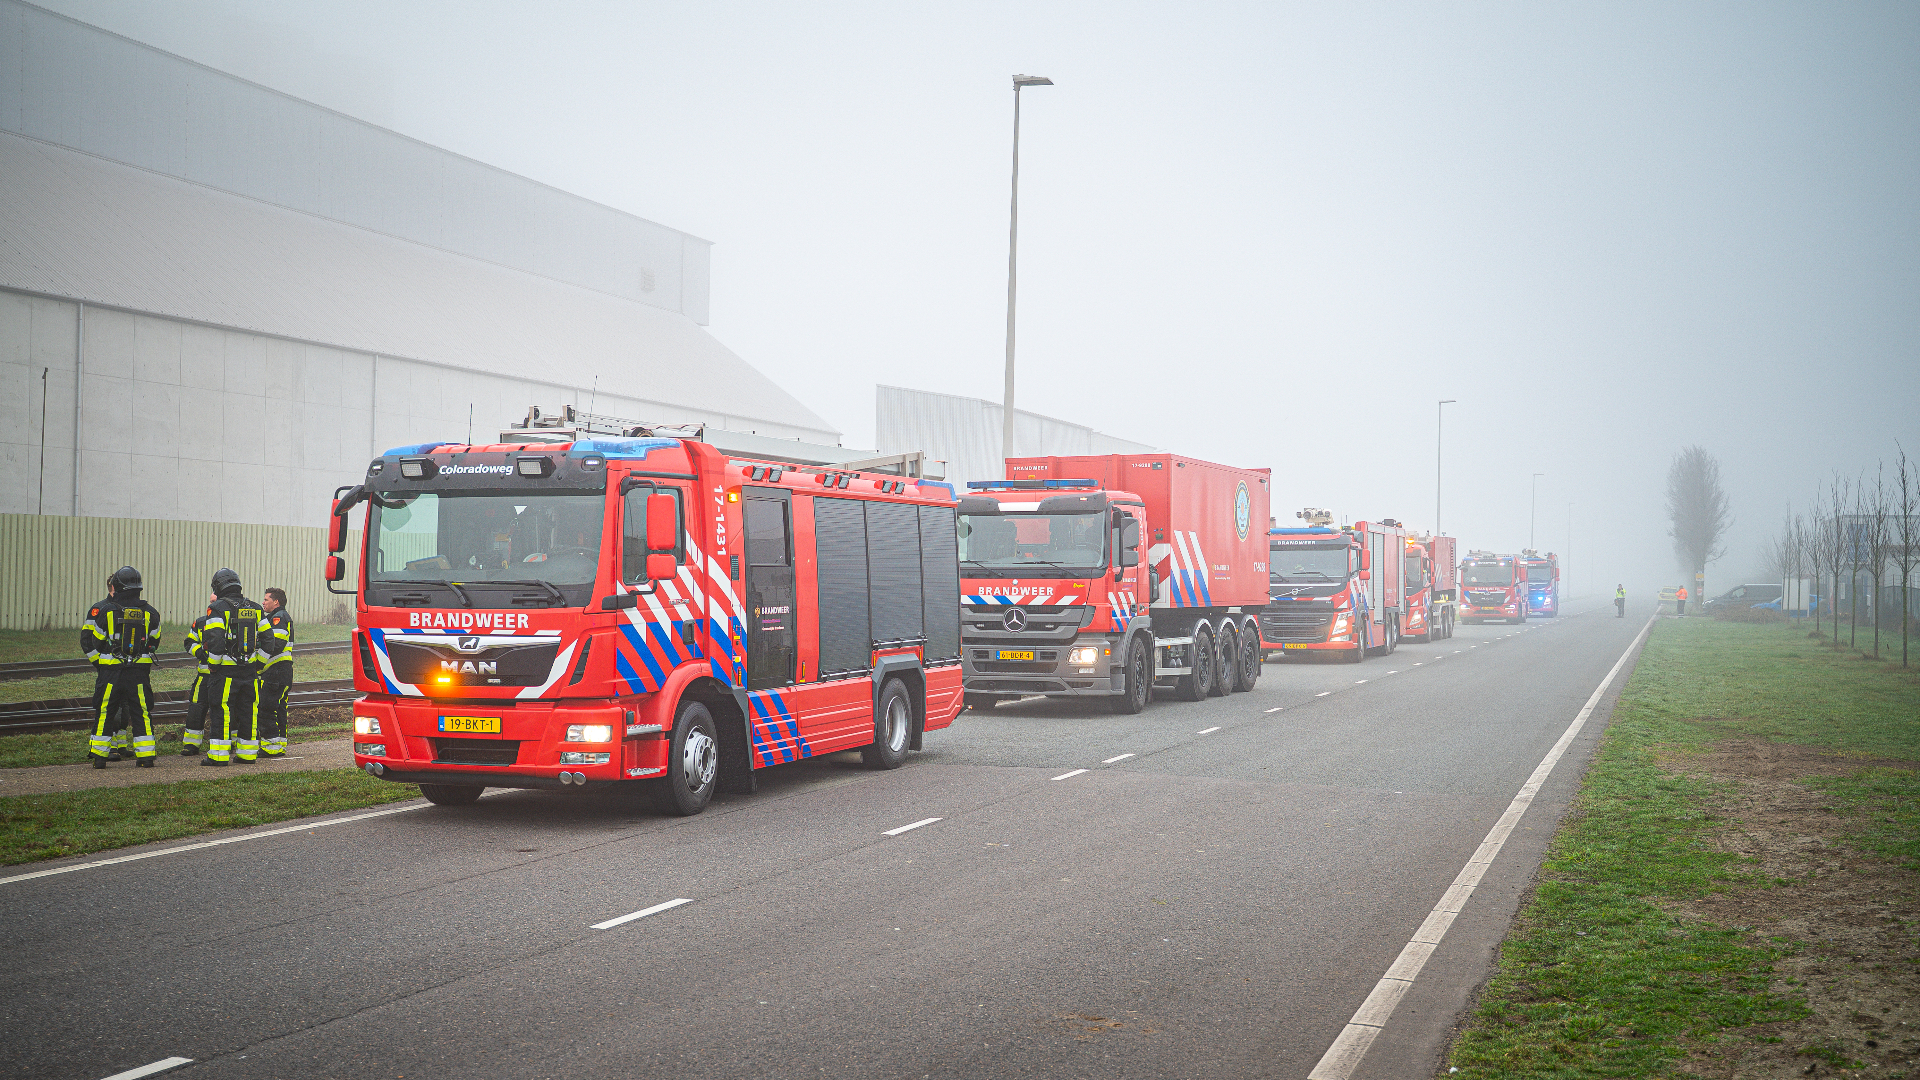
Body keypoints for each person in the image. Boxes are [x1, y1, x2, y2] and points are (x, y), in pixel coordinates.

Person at [82, 566, 162, 768]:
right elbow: (154, 642)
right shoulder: (151, 613)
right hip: (139, 674)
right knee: (141, 711)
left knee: (106, 711)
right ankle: (146, 757)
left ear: (117, 587)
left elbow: (97, 640)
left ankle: (100, 758)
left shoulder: (107, 611)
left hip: (111, 673)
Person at [200, 568, 266, 766]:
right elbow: (269, 640)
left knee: (221, 711)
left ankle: (219, 756)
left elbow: (215, 640)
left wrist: (213, 665)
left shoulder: (218, 608)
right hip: (249, 673)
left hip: (225, 674)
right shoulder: (255, 608)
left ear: (219, 587)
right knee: (248, 712)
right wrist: (258, 665)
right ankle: (247, 755)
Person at [257, 587, 294, 758]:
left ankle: (270, 746)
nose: (263, 602)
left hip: (275, 671)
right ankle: (279, 744)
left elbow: (275, 644)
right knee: (278, 707)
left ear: (276, 602)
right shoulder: (275, 617)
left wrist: (257, 647)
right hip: (282, 671)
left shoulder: (278, 617)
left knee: (266, 707)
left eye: (266, 599)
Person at [179, 600, 215, 756]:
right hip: (204, 676)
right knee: (196, 707)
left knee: (224, 710)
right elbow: (189, 642)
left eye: (216, 601)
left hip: (224, 676)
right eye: (211, 601)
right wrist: (200, 652)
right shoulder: (200, 622)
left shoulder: (231, 621)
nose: (212, 605)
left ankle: (228, 742)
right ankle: (191, 744)